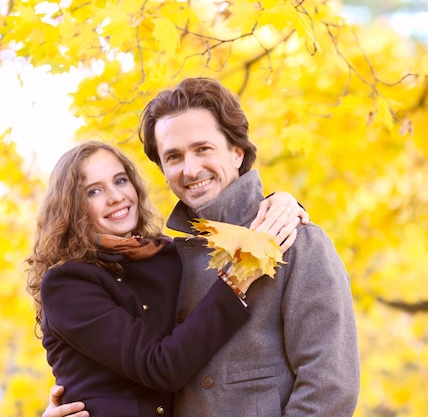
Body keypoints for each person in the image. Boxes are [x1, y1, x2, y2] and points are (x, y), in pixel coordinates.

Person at [44, 77, 360, 417]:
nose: (190, 169)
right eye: (174, 156)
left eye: (203, 149)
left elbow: (330, 390)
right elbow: (129, 369)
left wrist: (284, 201)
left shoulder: (296, 242)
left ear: (237, 152)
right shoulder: (173, 258)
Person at [25, 140, 305, 417]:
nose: (115, 197)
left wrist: (280, 204)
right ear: (72, 207)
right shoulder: (67, 284)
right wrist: (237, 278)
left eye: (120, 181)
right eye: (94, 191)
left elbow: (231, 230)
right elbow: (160, 367)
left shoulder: (166, 256)